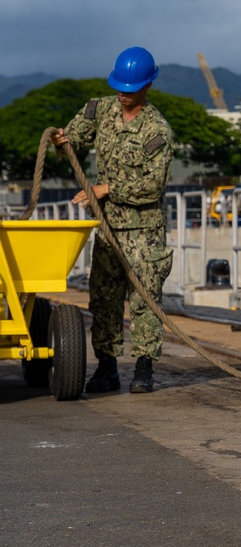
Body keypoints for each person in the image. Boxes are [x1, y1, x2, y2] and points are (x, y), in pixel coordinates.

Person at [50, 46, 174, 394]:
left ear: (147, 87)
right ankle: (107, 368)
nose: (122, 93)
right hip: (107, 230)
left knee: (144, 300)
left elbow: (152, 186)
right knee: (103, 300)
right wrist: (62, 141)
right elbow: (72, 140)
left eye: (130, 88)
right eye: (119, 85)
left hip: (144, 232)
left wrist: (107, 188)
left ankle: (144, 367)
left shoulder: (157, 131)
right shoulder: (99, 109)